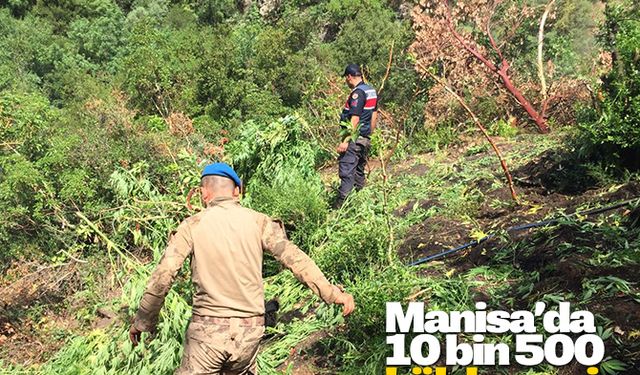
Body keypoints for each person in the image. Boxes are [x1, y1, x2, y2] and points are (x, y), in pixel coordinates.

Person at [129, 162, 355, 374]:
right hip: (250, 333)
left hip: (208, 334)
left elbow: (164, 274)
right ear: (237, 191)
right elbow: (296, 259)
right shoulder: (259, 222)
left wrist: (144, 320)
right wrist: (333, 293)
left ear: (203, 193)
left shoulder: (192, 226)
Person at [335, 63, 378, 208]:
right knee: (359, 173)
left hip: (354, 140)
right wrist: (368, 135)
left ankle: (341, 208)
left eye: (346, 79)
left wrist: (346, 141)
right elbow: (374, 114)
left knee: (347, 172)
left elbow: (355, 118)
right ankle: (360, 206)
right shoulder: (371, 90)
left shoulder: (357, 93)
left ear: (349, 77)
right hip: (364, 139)